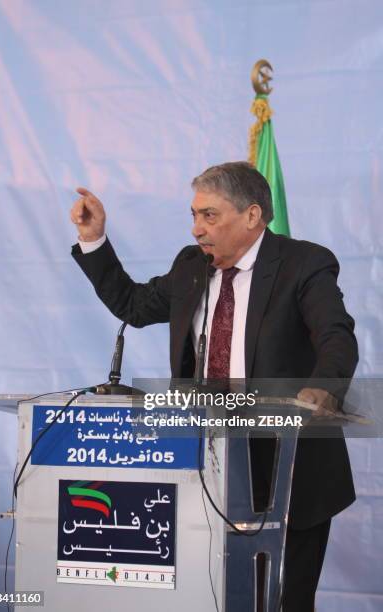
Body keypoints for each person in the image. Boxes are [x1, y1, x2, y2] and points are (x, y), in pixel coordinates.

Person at [70, 161, 358, 611]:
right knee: (211, 595)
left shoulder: (304, 263)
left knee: (285, 600)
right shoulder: (191, 268)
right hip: (206, 464)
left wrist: (324, 387)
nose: (196, 230)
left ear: (252, 215)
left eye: (209, 216)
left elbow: (335, 336)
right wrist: (94, 238)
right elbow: (133, 305)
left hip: (287, 463)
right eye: (193, 215)